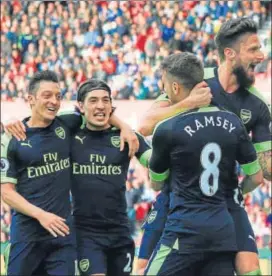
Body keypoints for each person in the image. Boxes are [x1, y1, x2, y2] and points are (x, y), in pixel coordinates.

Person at [138, 17, 271, 276]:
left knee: (249, 267)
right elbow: (145, 125)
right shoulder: (195, 81)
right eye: (254, 49)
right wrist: (186, 104)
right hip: (178, 194)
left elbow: (265, 171)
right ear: (230, 54)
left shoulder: (258, 105)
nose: (261, 55)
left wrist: (237, 191)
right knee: (142, 266)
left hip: (224, 198)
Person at [1, 71, 139, 275]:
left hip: (62, 236)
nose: (54, 101)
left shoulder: (66, 123)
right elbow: (6, 193)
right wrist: (41, 215)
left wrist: (124, 126)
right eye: (47, 95)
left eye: (58, 96)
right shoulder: (11, 138)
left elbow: (96, 110)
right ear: (30, 99)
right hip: (27, 235)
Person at [71, 79, 151, 276]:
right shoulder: (68, 134)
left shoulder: (127, 137)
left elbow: (156, 163)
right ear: (80, 106)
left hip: (120, 232)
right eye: (93, 100)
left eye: (105, 100)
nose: (100, 105)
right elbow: (39, 121)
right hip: (85, 233)